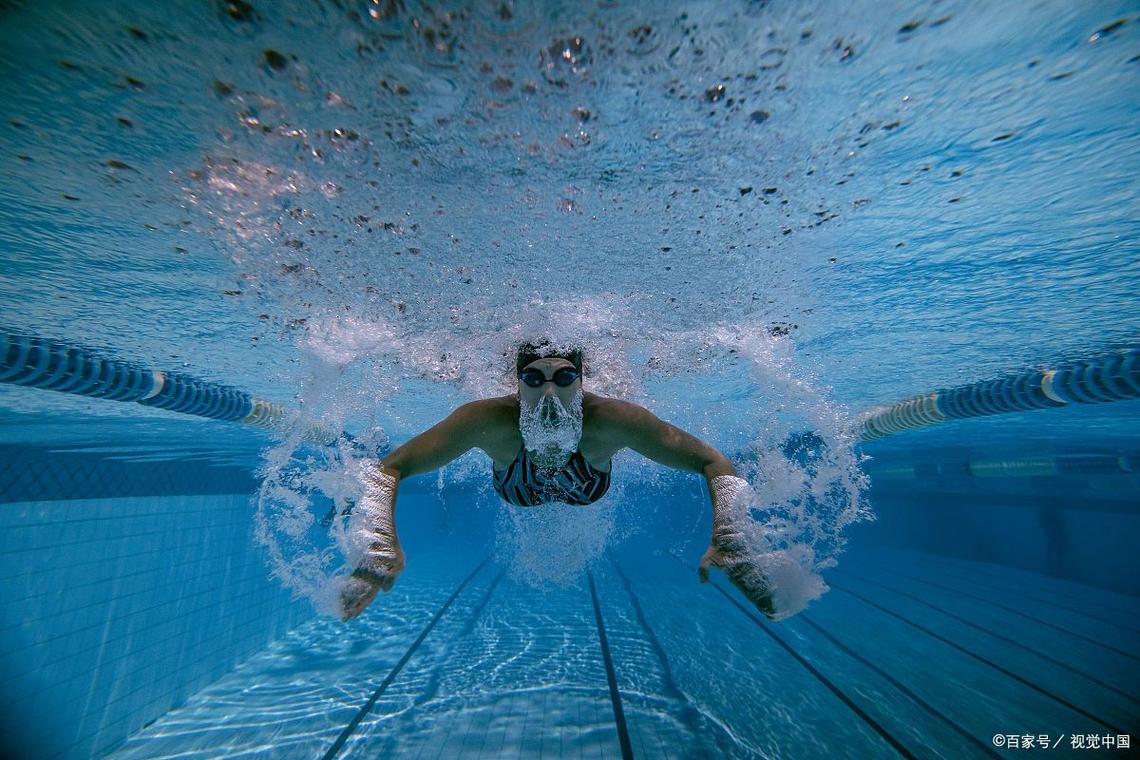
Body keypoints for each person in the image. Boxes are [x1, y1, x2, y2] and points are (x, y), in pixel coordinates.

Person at [339, 340, 777, 621]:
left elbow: (713, 462)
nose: (549, 391)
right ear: (518, 384)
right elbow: (389, 468)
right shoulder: (488, 421)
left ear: (581, 382)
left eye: (564, 377)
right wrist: (378, 542)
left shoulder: (613, 420)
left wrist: (732, 537)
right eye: (534, 378)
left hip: (577, 483)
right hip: (522, 484)